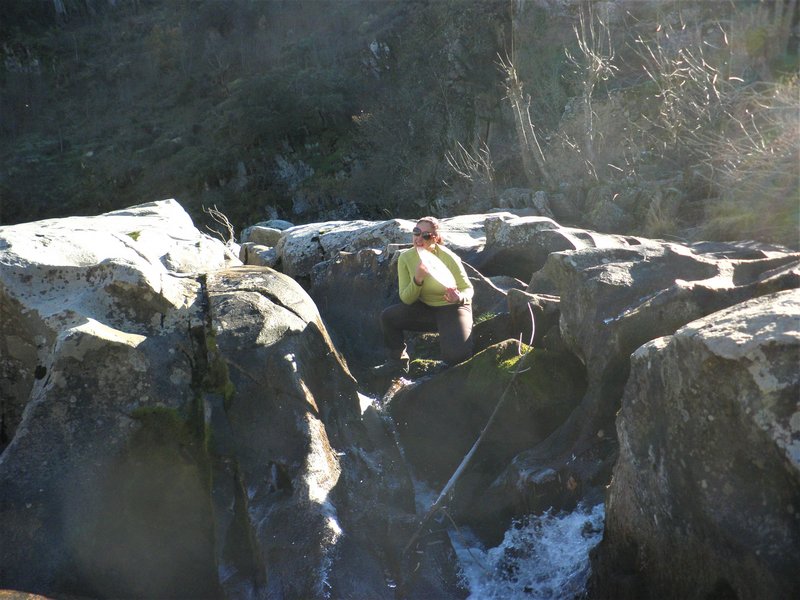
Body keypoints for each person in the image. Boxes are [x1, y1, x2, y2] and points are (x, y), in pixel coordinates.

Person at [373, 216, 474, 377]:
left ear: (436, 238)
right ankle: (397, 362)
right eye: (416, 233)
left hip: (453, 308)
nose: (419, 238)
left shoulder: (448, 257)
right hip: (426, 309)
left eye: (426, 235)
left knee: (456, 358)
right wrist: (418, 279)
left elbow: (468, 289)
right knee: (388, 317)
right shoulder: (406, 258)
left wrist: (458, 298)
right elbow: (406, 299)